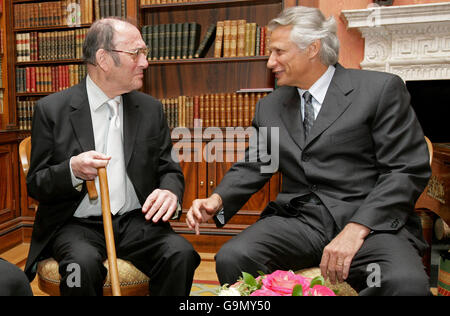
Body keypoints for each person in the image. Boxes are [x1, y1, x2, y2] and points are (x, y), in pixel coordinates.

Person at [186, 6, 431, 296]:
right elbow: (258, 163)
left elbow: (405, 169)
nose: (270, 62)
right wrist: (217, 199)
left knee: (405, 283)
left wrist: (357, 228)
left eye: (279, 52)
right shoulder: (271, 105)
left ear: (312, 49)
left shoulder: (379, 90)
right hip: (300, 222)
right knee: (235, 257)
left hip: (370, 225)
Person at [24, 17, 200, 296]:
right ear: (104, 59)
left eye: (145, 52)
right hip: (76, 223)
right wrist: (72, 170)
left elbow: (169, 168)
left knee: (181, 254)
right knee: (79, 269)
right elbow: (36, 184)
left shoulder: (150, 109)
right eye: (136, 53)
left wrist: (169, 192)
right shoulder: (52, 110)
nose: (145, 62)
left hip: (136, 220)